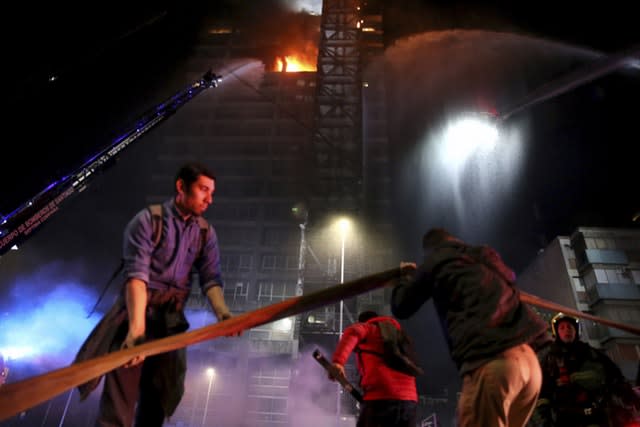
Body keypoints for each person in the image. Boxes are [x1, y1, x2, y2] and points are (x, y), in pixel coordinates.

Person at [74, 162, 236, 427]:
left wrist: (224, 314)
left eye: (212, 192)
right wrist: (136, 334)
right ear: (181, 187)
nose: (209, 199)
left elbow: (211, 279)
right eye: (203, 190)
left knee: (158, 400)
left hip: (170, 323)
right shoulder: (148, 220)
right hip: (135, 314)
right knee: (118, 406)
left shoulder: (205, 232)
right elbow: (137, 278)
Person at [391, 227, 550, 427]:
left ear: (430, 250)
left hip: (494, 363)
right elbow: (511, 277)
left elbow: (401, 306)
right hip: (529, 363)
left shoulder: (436, 261)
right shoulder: (485, 257)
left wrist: (403, 279)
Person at [530, 312, 640, 427]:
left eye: (569, 327)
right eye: (562, 328)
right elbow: (542, 393)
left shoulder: (593, 354)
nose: (566, 330)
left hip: (597, 417)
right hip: (566, 420)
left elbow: (616, 378)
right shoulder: (550, 360)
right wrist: (545, 420)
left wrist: (632, 398)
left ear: (576, 331)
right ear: (557, 333)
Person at [329, 310, 418, 427]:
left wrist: (338, 362)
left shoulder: (370, 328)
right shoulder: (398, 335)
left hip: (380, 398)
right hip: (409, 402)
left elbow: (353, 331)